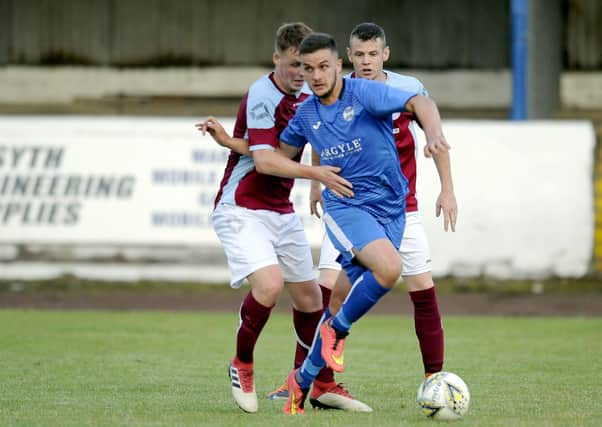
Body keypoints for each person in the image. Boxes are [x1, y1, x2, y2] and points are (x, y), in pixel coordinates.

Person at [196, 23, 370, 413]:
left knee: (311, 301)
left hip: (279, 210)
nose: (300, 74)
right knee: (270, 286)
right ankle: (242, 363)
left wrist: (315, 180)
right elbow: (265, 159)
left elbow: (316, 136)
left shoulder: (311, 92)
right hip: (241, 207)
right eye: (293, 65)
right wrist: (316, 175)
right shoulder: (262, 96)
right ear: (277, 59)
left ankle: (319, 383)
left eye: (306, 67)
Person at [273, 32, 450, 415]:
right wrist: (313, 175)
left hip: (393, 208)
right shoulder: (305, 113)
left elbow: (421, 101)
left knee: (340, 295)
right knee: (388, 268)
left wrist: (434, 134)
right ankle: (336, 334)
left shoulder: (364, 93)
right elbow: (275, 158)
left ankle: (302, 382)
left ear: (339, 66)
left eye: (323, 66)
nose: (316, 75)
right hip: (348, 206)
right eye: (308, 68)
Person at [310, 22, 456, 384]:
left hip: (400, 210)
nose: (366, 61)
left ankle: (434, 379)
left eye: (373, 54)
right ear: (349, 57)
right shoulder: (337, 91)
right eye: (359, 55)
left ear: (385, 55)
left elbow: (435, 134)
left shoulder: (407, 90)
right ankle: (315, 380)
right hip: (352, 210)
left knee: (423, 290)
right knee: (328, 289)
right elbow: (318, 133)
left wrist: (447, 188)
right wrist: (315, 182)